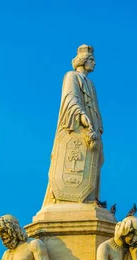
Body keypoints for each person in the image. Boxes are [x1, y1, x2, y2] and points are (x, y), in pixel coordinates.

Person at [43, 44, 104, 205]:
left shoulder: (91, 84)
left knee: (96, 161)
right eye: (91, 60)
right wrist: (82, 116)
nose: (94, 63)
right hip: (76, 127)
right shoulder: (72, 76)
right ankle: (65, 197)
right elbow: (70, 99)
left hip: (91, 133)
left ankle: (90, 197)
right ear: (83, 61)